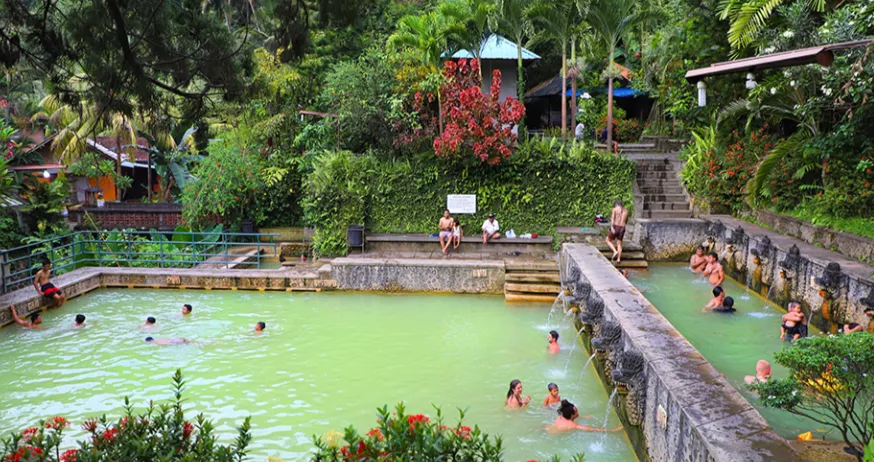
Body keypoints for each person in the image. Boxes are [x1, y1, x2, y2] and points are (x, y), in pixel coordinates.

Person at [547, 400, 622, 434]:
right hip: (550, 436)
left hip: (546, 429)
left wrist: (583, 417)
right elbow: (592, 429)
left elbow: (569, 419)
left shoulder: (560, 417)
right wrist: (613, 430)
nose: (578, 411)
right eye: (576, 411)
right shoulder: (573, 425)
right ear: (572, 415)